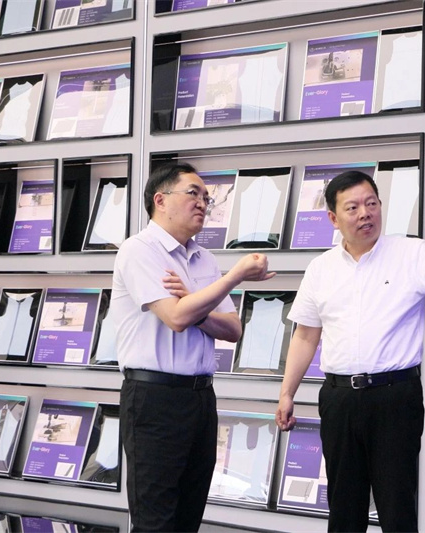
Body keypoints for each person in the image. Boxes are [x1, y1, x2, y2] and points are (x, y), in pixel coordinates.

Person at [275, 171, 425, 532]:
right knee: (343, 508)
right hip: (339, 399)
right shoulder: (320, 269)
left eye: (371, 203)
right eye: (353, 207)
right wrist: (287, 393)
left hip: (394, 398)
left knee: (397, 507)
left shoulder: (411, 253)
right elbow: (305, 336)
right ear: (333, 218)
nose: (365, 213)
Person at [111, 163, 274, 532]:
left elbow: (232, 329)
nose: (203, 203)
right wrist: (234, 278)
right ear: (160, 200)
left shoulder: (205, 258)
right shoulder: (139, 250)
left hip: (200, 398)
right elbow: (175, 317)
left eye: (206, 197)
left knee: (189, 517)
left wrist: (193, 303)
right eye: (193, 194)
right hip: (154, 398)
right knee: (155, 521)